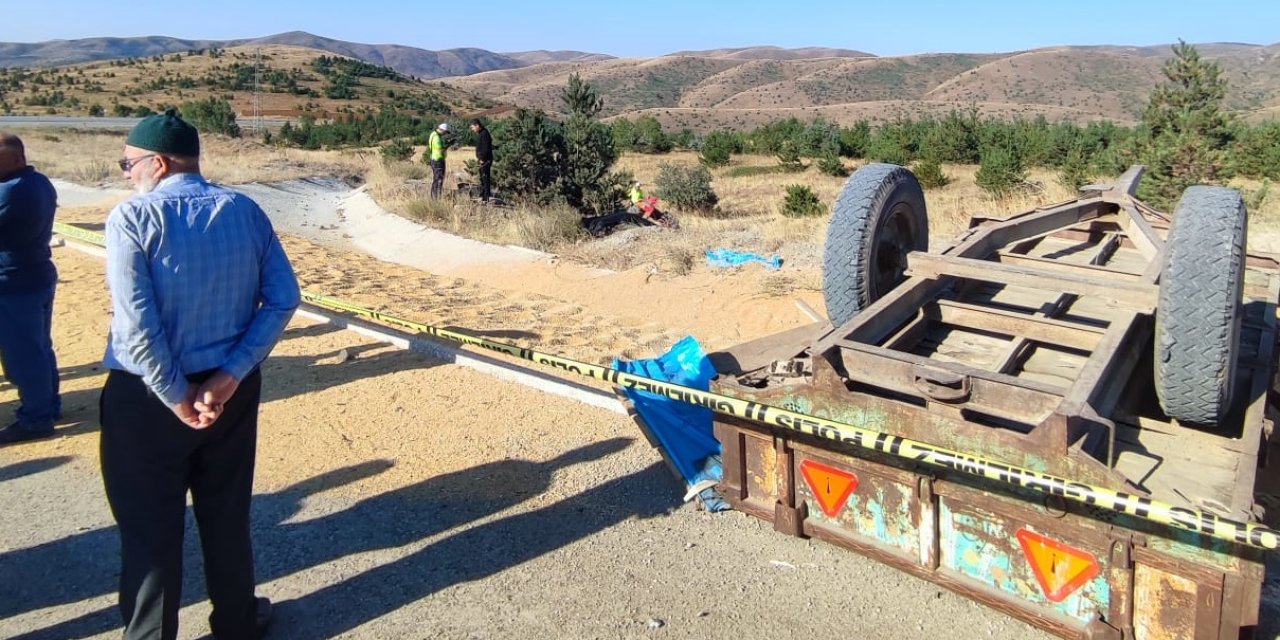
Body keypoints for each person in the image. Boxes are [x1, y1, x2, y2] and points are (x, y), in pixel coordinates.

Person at [100, 109, 300, 640]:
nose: (126, 173)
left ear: (157, 164)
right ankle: (237, 623)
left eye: (129, 163)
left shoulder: (132, 219)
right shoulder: (246, 210)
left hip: (146, 397)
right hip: (229, 390)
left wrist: (175, 394)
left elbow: (138, 330)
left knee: (148, 528)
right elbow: (284, 297)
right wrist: (230, 375)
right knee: (226, 511)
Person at [0, 132, 62, 445]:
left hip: (13, 283)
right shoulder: (39, 182)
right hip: (36, 275)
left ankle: (36, 419)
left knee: (23, 356)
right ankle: (49, 406)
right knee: (39, 348)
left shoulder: (10, 191)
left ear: (15, 159)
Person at [470, 118, 493, 202]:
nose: (472, 129)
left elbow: (485, 148)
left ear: (477, 125)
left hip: (485, 160)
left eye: (473, 127)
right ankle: (484, 194)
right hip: (482, 160)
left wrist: (482, 158)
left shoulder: (484, 134)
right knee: (482, 178)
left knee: (485, 177)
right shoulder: (481, 133)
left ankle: (486, 197)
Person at [429, 122, 450, 198]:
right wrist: (448, 145)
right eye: (445, 132)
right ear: (442, 130)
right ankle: (436, 198)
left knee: (436, 179)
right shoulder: (437, 138)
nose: (445, 134)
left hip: (434, 159)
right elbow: (440, 150)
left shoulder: (433, 134)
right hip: (438, 160)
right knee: (438, 180)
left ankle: (433, 197)